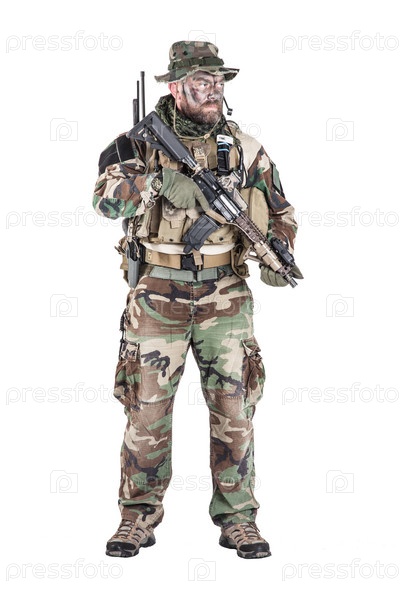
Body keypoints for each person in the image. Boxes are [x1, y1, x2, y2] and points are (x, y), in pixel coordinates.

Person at [93, 40, 301, 560]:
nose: (213, 91)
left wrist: (278, 250)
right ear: (174, 87)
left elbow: (281, 211)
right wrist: (159, 181)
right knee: (145, 410)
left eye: (219, 82)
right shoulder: (136, 144)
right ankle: (137, 516)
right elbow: (106, 202)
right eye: (201, 82)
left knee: (235, 407)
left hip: (225, 294)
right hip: (156, 294)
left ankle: (238, 519)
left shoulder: (246, 149)